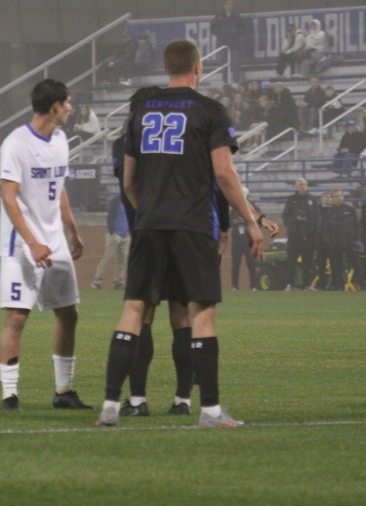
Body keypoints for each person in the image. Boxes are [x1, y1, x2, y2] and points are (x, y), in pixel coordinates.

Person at [96, 40, 264, 428]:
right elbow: (223, 174)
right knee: (200, 313)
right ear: (198, 67)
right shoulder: (210, 111)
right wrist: (250, 221)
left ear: (166, 67)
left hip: (149, 224)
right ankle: (209, 411)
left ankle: (109, 407)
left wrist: (146, 214)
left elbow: (129, 179)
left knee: (134, 309)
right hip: (192, 225)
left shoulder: (140, 110)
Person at [0, 79, 90, 411]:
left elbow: (58, 186)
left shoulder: (61, 140)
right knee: (17, 317)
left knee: (69, 314)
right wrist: (33, 242)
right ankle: (9, 395)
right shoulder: (16, 144)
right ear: (54, 107)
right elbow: (8, 199)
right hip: (21, 243)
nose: (70, 108)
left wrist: (72, 230)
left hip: (53, 240)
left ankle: (63, 391)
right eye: (67, 103)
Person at [283, 178, 319, 291]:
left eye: (304, 184)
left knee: (308, 262)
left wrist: (313, 231)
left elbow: (317, 218)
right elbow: (285, 217)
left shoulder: (312, 199)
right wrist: (295, 219)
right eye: (300, 184)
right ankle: (289, 284)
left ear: (307, 186)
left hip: (308, 237)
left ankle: (307, 285)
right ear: (296, 186)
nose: (302, 186)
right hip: (294, 236)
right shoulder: (291, 200)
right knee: (291, 261)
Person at [321, 189, 359, 291]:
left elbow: (357, 226)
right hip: (335, 245)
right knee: (336, 267)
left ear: (343, 197)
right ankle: (339, 286)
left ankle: (363, 285)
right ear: (333, 199)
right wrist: (329, 242)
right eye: (336, 196)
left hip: (350, 243)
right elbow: (325, 229)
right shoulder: (329, 213)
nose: (338, 198)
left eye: (340, 196)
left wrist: (355, 239)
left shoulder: (350, 210)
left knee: (356, 265)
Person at [91, 194, 130, 291]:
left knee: (122, 259)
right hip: (114, 234)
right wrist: (113, 232)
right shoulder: (116, 201)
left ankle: (118, 283)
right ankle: (97, 282)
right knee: (108, 257)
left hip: (126, 234)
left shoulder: (130, 201)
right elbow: (110, 218)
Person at [230, 187, 260, 290]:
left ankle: (254, 286)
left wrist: (246, 221)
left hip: (249, 240)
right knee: (235, 264)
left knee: (251, 263)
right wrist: (234, 222)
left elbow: (259, 222)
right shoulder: (234, 208)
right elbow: (228, 222)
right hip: (237, 239)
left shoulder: (254, 208)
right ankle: (234, 286)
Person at [210, 0, 247, 83]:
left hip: (234, 45)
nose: (229, 6)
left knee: (236, 64)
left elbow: (244, 29)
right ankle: (225, 82)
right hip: (223, 45)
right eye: (228, 4)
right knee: (224, 65)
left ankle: (236, 81)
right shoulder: (218, 17)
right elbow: (212, 29)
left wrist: (236, 32)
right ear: (224, 5)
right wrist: (220, 32)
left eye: (231, 4)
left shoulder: (237, 16)